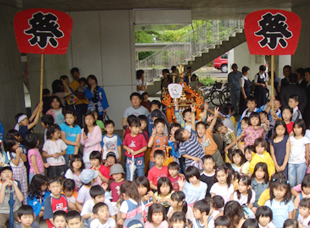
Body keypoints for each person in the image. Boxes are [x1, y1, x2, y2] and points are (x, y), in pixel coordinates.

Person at [3, 135, 28, 204]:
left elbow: (25, 159)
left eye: (17, 143)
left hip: (22, 168)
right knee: (18, 185)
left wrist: (21, 153)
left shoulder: (20, 148)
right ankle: (19, 203)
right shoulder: (9, 153)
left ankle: (25, 203)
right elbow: (16, 163)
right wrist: (17, 153)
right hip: (15, 170)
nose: (17, 145)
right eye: (15, 144)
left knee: (24, 186)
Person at [288, 119, 310, 187]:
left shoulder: (305, 139)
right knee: (291, 182)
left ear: (302, 128)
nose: (296, 130)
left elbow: (307, 151)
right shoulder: (291, 138)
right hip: (291, 162)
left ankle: (299, 196)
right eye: (295, 127)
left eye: (299, 128)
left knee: (300, 182)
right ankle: (291, 196)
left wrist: (307, 160)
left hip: (301, 163)